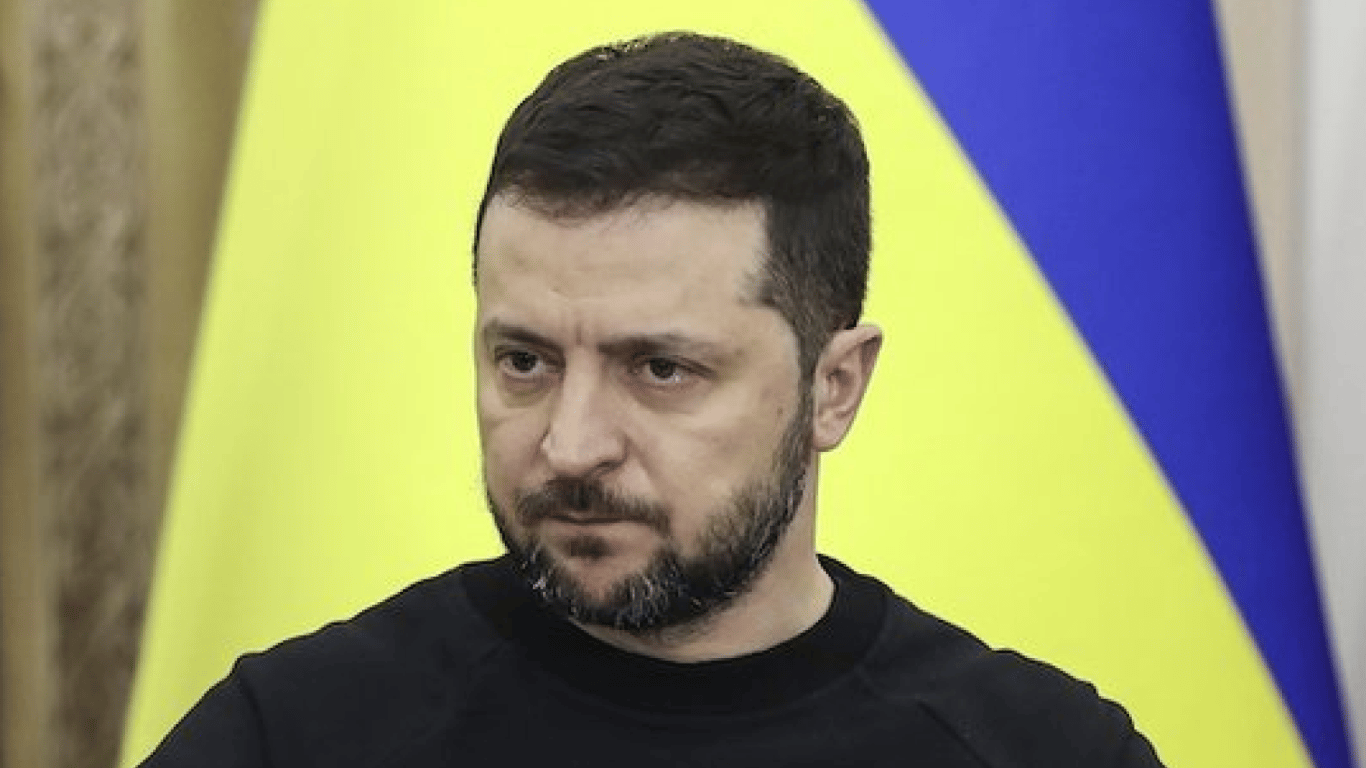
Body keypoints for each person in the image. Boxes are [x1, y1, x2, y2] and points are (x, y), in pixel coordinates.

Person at [142, 31, 1165, 767]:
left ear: (834, 387)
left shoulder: (1048, 751)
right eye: (525, 361)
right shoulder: (293, 735)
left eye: (660, 369)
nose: (571, 445)